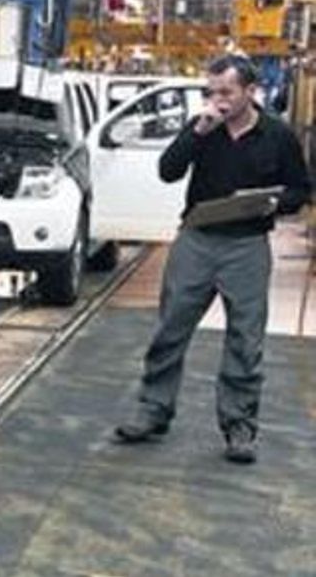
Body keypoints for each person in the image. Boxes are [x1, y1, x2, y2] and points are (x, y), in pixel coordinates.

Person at [114, 55, 312, 464]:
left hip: (246, 246)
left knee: (245, 337)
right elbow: (168, 171)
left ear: (250, 92)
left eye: (226, 92)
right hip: (197, 241)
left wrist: (272, 202)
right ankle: (153, 409)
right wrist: (198, 132)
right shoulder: (203, 128)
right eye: (212, 92)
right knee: (171, 327)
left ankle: (239, 425)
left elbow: (300, 190)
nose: (218, 100)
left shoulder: (278, 136)